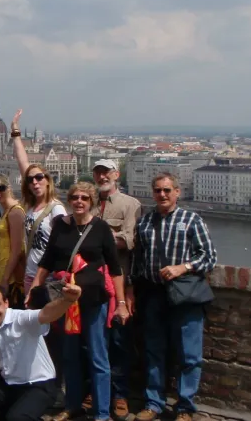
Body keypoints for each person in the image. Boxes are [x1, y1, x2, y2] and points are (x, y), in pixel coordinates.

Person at [31, 182, 128, 421]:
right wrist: (34, 288)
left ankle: (102, 412)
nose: (79, 201)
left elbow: (115, 269)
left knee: (98, 356)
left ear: (92, 202)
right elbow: (47, 260)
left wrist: (122, 302)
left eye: (85, 197)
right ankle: (72, 404)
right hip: (65, 301)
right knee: (69, 355)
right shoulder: (60, 228)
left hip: (94, 301)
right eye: (75, 197)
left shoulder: (101, 228)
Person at [129, 173, 217, 421]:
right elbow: (138, 262)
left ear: (177, 192)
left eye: (167, 190)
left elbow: (209, 257)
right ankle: (153, 403)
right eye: (158, 190)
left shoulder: (191, 220)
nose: (162, 195)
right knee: (154, 350)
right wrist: (132, 291)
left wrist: (183, 267)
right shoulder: (145, 223)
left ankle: (186, 406)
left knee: (189, 354)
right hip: (154, 294)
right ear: (153, 193)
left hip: (184, 294)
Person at [0, 283, 83, 421]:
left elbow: (46, 313)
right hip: (9, 385)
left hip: (39, 385)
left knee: (17, 418)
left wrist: (67, 300)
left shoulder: (21, 318)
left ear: (6, 303)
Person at [92, 159, 141, 420]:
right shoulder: (86, 201)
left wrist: (100, 238)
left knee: (119, 342)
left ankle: (120, 394)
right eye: (98, 172)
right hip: (90, 284)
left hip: (117, 282)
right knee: (92, 342)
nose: (102, 176)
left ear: (116, 174)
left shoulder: (129, 204)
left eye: (106, 172)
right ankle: (95, 391)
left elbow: (131, 240)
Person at [10, 110, 67, 295]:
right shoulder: (32, 206)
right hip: (30, 273)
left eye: (39, 177)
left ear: (48, 179)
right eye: (30, 179)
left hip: (49, 277)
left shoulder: (56, 209)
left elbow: (64, 242)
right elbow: (23, 164)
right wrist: (16, 133)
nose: (35, 182)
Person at [0, 174, 27, 307]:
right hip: (1, 267)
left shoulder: (15, 212)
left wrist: (5, 278)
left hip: (10, 275)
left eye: (0, 188)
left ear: (8, 187)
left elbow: (16, 249)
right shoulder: (5, 211)